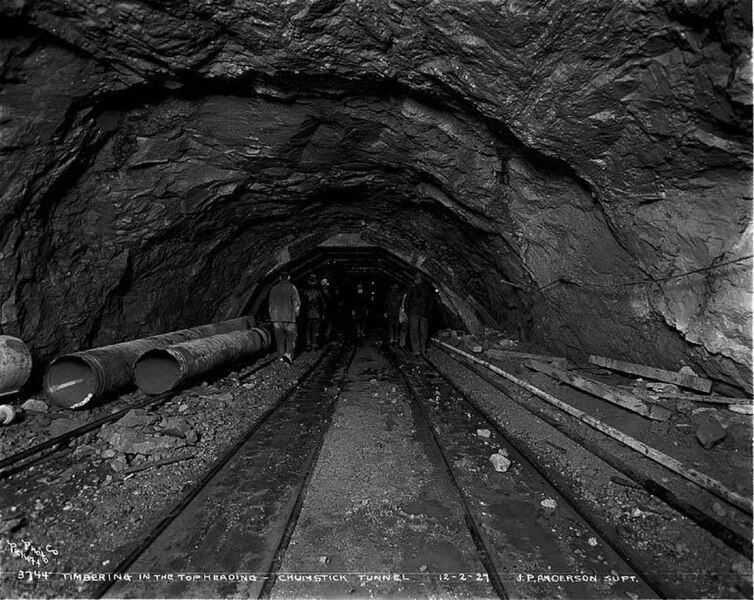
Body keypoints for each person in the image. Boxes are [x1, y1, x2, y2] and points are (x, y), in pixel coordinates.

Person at [268, 270, 300, 364]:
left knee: (279, 338)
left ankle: (281, 356)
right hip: (289, 317)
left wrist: (272, 317)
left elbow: (270, 304)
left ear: (279, 278)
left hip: (276, 318)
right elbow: (297, 303)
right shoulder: (292, 288)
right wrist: (295, 315)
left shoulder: (274, 288)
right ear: (289, 277)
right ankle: (288, 355)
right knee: (291, 337)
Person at [405, 274, 435, 356]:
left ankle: (416, 350)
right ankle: (423, 350)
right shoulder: (427, 289)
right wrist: (427, 312)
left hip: (414, 313)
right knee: (423, 333)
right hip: (423, 314)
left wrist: (408, 312)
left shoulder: (412, 289)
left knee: (414, 332)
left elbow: (406, 302)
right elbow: (431, 302)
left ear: (417, 280)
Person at [302, 274, 325, 350]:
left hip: (307, 314)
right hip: (316, 314)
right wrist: (323, 313)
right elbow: (322, 303)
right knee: (315, 329)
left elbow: (302, 303)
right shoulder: (318, 292)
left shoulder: (305, 292)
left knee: (307, 329)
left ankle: (308, 343)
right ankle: (314, 343)